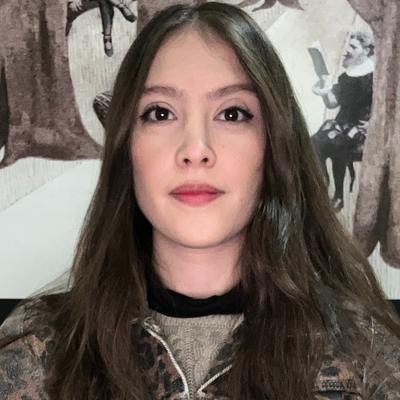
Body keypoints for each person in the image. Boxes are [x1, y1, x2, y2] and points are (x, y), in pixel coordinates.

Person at [1, 2, 399, 400]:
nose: (195, 150)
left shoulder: (367, 359)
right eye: (160, 113)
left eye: (232, 114)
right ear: (126, 147)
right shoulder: (38, 355)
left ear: (274, 144)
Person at [311, 31, 374, 211]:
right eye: (348, 45)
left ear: (366, 51)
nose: (347, 50)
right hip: (341, 125)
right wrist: (324, 90)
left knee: (336, 145)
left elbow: (386, 107)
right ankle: (322, 188)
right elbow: (333, 103)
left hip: (361, 130)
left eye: (353, 47)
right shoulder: (345, 77)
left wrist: (373, 124)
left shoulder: (375, 77)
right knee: (313, 144)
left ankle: (339, 196)